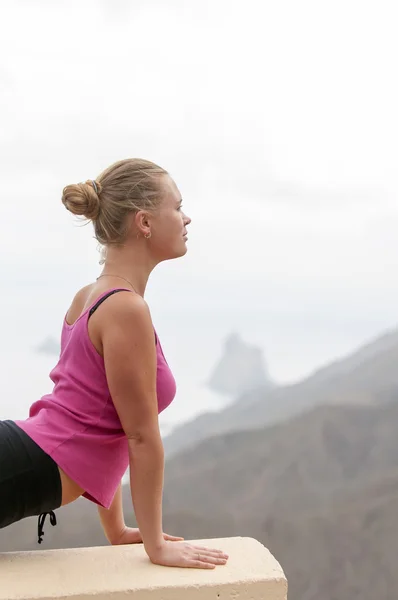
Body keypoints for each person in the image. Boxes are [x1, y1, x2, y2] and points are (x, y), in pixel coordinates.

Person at [0, 158, 229, 570]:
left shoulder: (92, 295)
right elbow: (141, 437)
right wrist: (156, 545)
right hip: (21, 464)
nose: (186, 217)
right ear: (144, 222)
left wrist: (118, 529)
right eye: (177, 207)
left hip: (22, 456)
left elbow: (109, 421)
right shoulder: (125, 308)